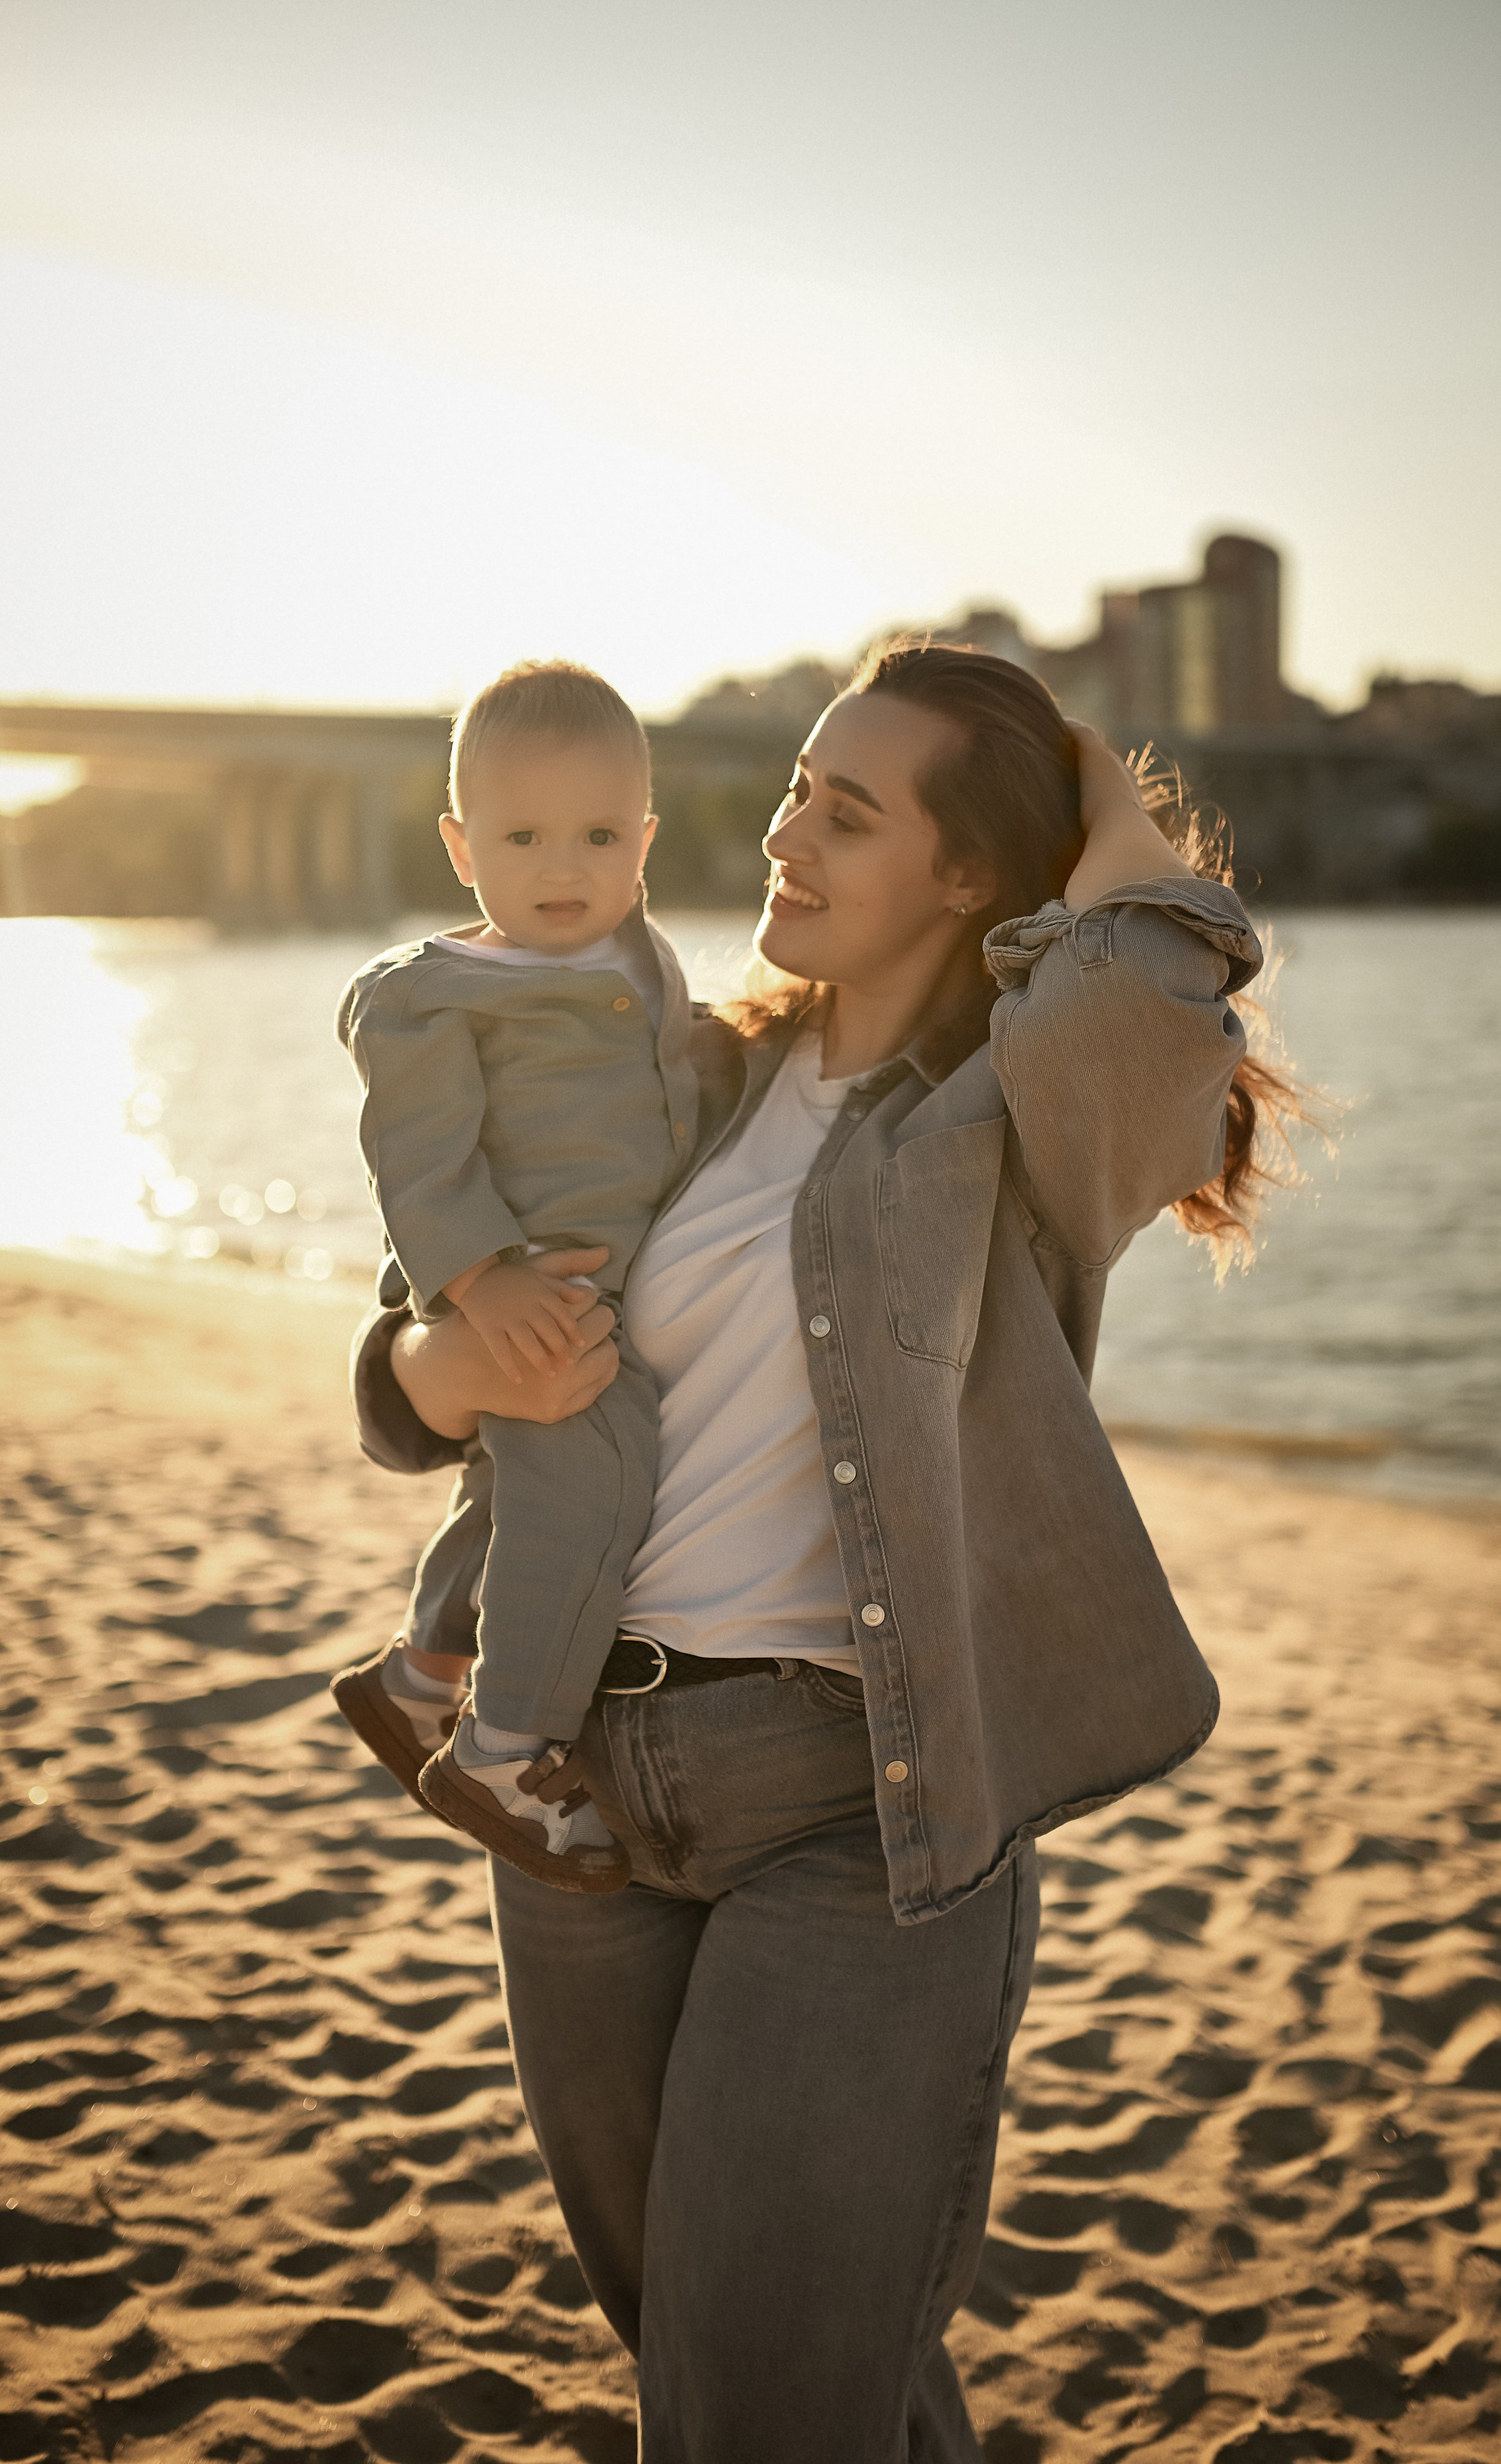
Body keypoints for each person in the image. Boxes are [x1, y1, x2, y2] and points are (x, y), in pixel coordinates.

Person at [348, 640, 1290, 2460]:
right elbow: (410, 1371)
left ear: (968, 877)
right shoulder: (682, 1067)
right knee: (715, 2369)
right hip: (576, 1798)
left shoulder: (1005, 1130)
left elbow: (1142, 1010)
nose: (782, 833)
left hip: (860, 1808)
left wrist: (1098, 792)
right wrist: (438, 1358)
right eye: (795, 786)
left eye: (846, 814)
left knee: (764, 2393)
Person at [331, 661, 698, 1889]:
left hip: (594, 1302)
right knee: (584, 1492)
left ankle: (420, 1671)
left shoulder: (642, 956)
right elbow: (418, 1164)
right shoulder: (432, 997)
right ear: (459, 845)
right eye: (523, 835)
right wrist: (481, 1287)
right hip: (521, 1292)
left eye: (599, 834)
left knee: (511, 1498)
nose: (563, 867)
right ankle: (504, 1743)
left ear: (646, 839)